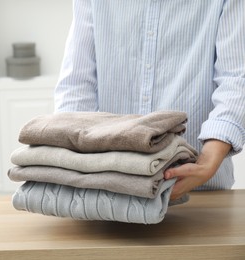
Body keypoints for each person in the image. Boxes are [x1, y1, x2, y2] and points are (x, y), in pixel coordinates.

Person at [54, 0, 245, 200]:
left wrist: (206, 162)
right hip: (104, 191)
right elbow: (77, 86)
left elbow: (236, 80)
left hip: (197, 189)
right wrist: (76, 167)